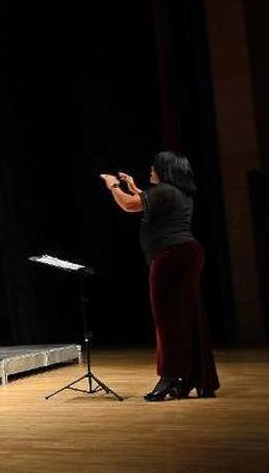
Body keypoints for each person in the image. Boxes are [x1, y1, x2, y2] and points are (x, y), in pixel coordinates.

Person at [100, 151, 220, 400]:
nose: (151, 171)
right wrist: (134, 187)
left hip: (170, 257)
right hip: (187, 253)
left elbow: (129, 205)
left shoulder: (164, 190)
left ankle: (170, 378)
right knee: (189, 316)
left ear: (165, 171)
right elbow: (146, 199)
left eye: (155, 168)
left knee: (167, 319)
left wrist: (113, 186)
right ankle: (196, 378)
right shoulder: (180, 193)